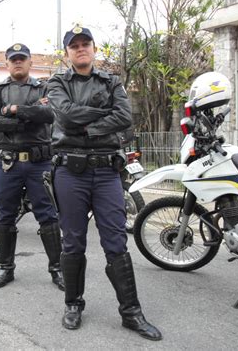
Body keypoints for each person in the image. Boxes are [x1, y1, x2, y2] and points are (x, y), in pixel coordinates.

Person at [47, 26, 162, 340]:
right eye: (74, 46)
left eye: (85, 44)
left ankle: (131, 313)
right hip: (70, 172)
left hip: (107, 172)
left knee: (116, 243)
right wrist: (101, 115)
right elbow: (65, 116)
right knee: (72, 241)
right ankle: (73, 303)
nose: (81, 49)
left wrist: (87, 128)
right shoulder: (57, 82)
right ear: (67, 53)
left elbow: (124, 116)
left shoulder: (112, 81)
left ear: (94, 49)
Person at [0, 43, 63, 290]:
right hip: (8, 163)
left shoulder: (44, 86)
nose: (18, 62)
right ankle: (6, 268)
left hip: (40, 163)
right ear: (6, 64)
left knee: (48, 216)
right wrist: (26, 120)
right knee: (6, 215)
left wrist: (15, 111)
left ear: (30, 62)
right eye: (13, 59)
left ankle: (57, 269)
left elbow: (51, 114)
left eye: (22, 59)